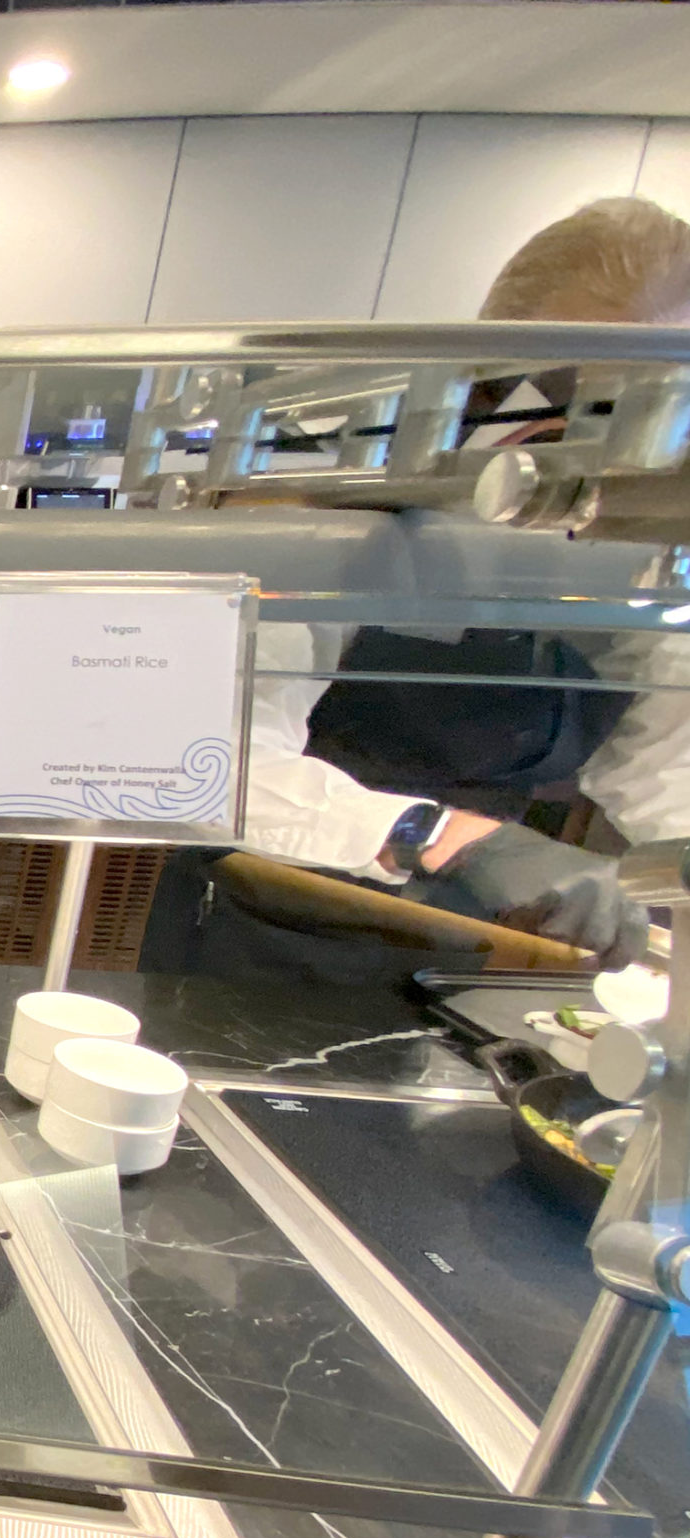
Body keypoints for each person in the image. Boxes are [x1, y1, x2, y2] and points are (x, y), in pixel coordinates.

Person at [151, 197, 689, 981]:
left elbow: (662, 760)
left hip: (496, 932)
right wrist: (447, 837)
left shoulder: (649, 538)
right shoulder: (344, 490)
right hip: (271, 905)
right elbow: (205, 760)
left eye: (657, 403)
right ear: (493, 371)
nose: (610, 437)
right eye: (575, 391)